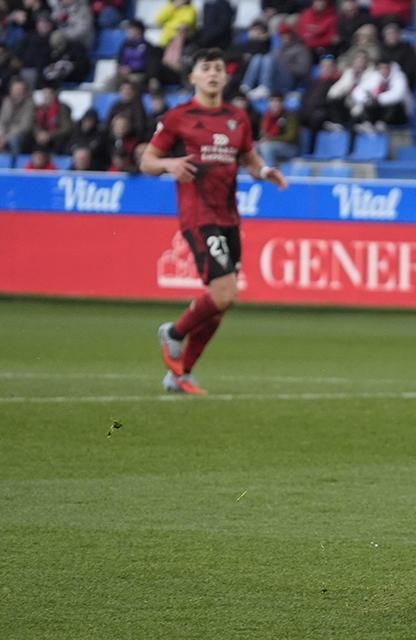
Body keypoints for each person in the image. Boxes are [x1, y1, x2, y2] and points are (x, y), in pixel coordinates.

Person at [141, 49, 288, 396]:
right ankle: (173, 333)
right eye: (205, 68)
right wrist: (169, 164)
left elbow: (248, 158)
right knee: (224, 292)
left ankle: (181, 375)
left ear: (225, 77)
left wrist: (264, 171)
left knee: (222, 302)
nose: (212, 74)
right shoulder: (179, 117)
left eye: (218, 68)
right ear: (193, 76)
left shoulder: (237, 117)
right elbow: (147, 161)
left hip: (228, 217)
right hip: (198, 215)